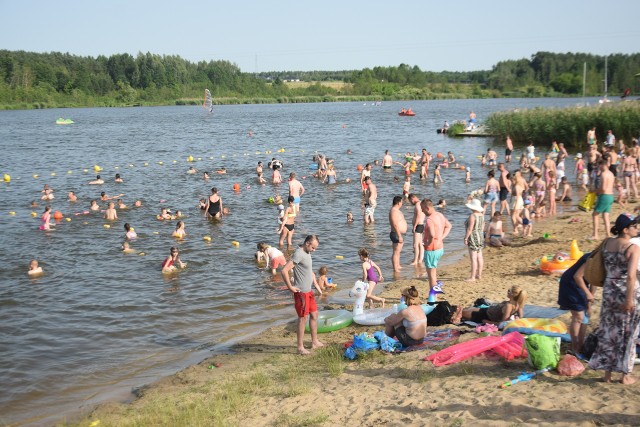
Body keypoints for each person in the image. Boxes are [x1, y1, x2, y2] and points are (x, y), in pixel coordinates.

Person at [588, 213, 640, 384]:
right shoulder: (632, 248)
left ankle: (607, 375)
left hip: (609, 290)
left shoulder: (607, 243)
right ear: (626, 230)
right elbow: (631, 277)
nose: (637, 229)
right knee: (628, 332)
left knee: (608, 331)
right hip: (626, 291)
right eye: (634, 226)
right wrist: (629, 300)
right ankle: (625, 375)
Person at [281, 235, 323, 355]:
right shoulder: (298, 254)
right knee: (303, 318)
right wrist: (290, 287)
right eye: (313, 248)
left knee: (314, 315)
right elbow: (284, 271)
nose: (314, 250)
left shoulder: (307, 253)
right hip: (301, 293)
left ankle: (314, 342)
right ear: (307, 243)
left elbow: (307, 270)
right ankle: (300, 347)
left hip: (309, 291)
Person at [558, 252, 595, 355]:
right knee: (578, 316)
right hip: (571, 284)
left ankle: (581, 345)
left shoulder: (603, 260)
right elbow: (577, 276)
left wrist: (589, 303)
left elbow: (593, 280)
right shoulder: (593, 258)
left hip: (581, 284)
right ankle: (575, 348)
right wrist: (588, 293)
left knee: (586, 316)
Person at [421, 199, 452, 292]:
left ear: (427, 208)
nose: (422, 211)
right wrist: (442, 237)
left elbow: (432, 234)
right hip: (440, 248)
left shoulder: (430, 220)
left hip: (432, 249)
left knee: (431, 275)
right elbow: (449, 226)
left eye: (423, 209)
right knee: (433, 272)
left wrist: (427, 243)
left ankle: (433, 297)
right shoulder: (440, 215)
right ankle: (435, 292)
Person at [461, 285, 527, 324]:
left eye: (509, 291)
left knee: (462, 313)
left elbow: (503, 323)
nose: (507, 292)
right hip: (487, 310)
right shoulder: (518, 304)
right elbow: (521, 317)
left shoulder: (509, 306)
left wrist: (487, 322)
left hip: (486, 316)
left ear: (512, 295)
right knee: (467, 309)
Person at [592, 159, 615, 240]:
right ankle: (608, 234)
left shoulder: (604, 174)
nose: (599, 167)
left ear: (602, 165)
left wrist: (594, 190)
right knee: (606, 215)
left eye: (599, 166)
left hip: (604, 196)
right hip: (611, 196)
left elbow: (603, 189)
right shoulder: (611, 173)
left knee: (595, 214)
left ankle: (595, 235)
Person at [464, 199, 485, 281]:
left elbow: (470, 228)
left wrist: (466, 238)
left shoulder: (472, 216)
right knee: (480, 257)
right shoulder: (482, 215)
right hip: (480, 236)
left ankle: (472, 277)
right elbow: (482, 227)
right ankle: (479, 275)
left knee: (473, 258)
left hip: (473, 236)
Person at [389, 196, 407, 272]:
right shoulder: (394, 211)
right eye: (401, 202)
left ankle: (398, 265)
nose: (402, 203)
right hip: (396, 233)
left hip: (398, 233)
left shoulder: (396, 210)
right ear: (399, 202)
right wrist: (399, 235)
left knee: (398, 251)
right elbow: (395, 224)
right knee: (396, 252)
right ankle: (395, 269)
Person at [409, 193, 425, 266]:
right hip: (421, 225)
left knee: (415, 244)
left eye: (410, 201)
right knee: (420, 244)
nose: (411, 203)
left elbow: (418, 214)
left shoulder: (417, 205)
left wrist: (414, 226)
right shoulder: (422, 203)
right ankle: (420, 259)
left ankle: (415, 260)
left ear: (413, 198)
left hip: (418, 225)